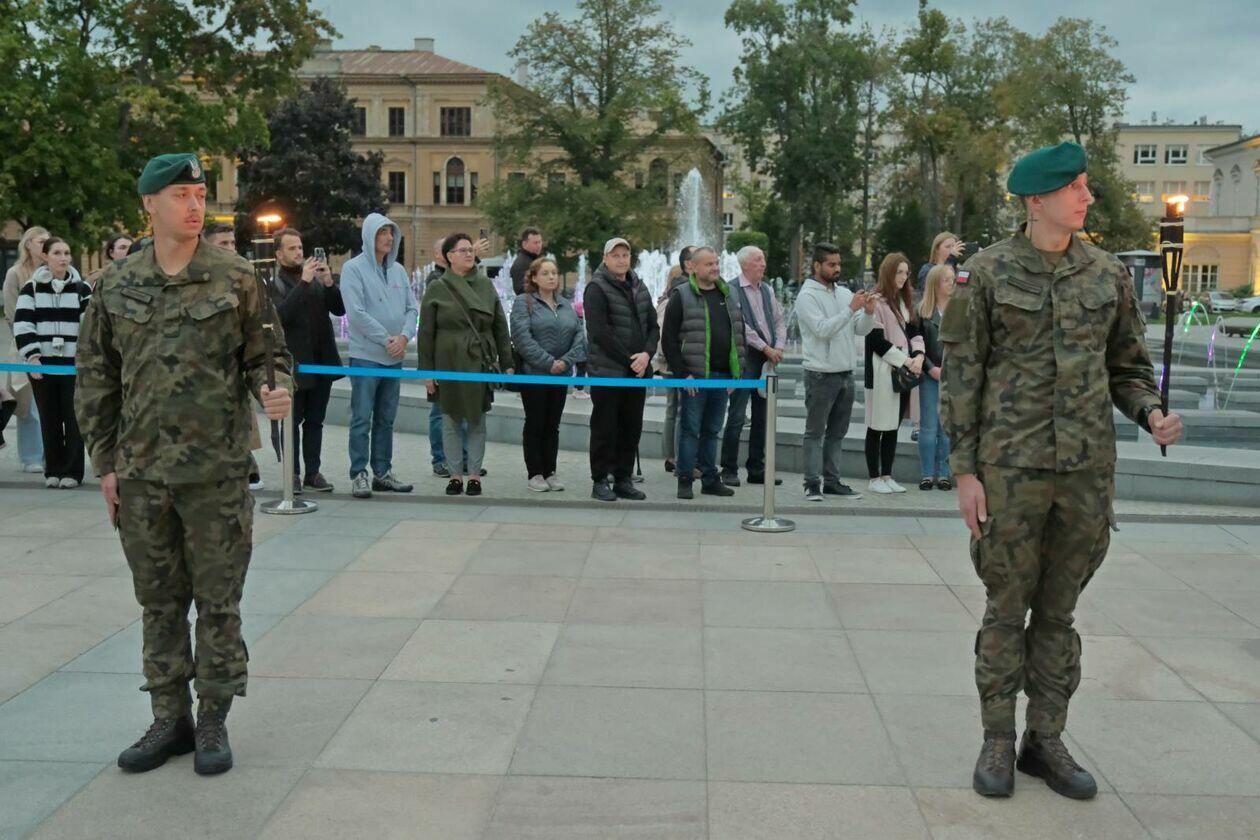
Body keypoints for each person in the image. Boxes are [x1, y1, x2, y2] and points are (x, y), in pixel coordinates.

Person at [940, 141, 1184, 800]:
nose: (1087, 197)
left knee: (1059, 614)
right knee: (1004, 609)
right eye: (1075, 187)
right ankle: (997, 737)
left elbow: (1127, 367)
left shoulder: (1107, 274)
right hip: (1010, 471)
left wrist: (1151, 411)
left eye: (1085, 186)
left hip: (1084, 472)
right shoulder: (985, 274)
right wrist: (965, 472)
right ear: (1037, 199)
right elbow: (961, 377)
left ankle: (1044, 739)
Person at [75, 153, 292, 776]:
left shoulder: (235, 277)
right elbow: (96, 377)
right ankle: (168, 718)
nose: (195, 206)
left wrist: (275, 388)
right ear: (149, 205)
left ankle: (213, 718)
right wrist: (106, 464)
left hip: (216, 471)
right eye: (180, 196)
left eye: (199, 194)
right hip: (141, 473)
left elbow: (268, 354)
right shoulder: (115, 283)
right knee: (159, 602)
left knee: (219, 601)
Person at [419, 233, 513, 496]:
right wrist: (427, 372)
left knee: (476, 419)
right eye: (463, 250)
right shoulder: (438, 287)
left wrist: (507, 361)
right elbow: (426, 332)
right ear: (449, 256)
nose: (469, 254)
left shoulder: (485, 285)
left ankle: (474, 475)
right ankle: (454, 475)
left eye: (471, 250)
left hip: (478, 359)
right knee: (450, 419)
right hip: (447, 360)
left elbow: (499, 325)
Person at [340, 213, 417, 499]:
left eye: (391, 232)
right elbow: (356, 313)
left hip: (393, 358)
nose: (389, 237)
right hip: (366, 357)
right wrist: (386, 339)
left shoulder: (398, 271)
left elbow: (412, 308)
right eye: (383, 232)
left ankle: (382, 472)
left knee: (386, 419)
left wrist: (404, 337)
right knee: (362, 418)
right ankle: (359, 473)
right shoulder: (353, 269)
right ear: (369, 236)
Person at [794, 242, 877, 502]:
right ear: (817, 266)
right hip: (820, 373)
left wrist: (869, 313)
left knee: (837, 433)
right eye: (831, 264)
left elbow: (860, 329)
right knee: (815, 432)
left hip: (845, 372)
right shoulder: (807, 296)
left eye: (839, 264)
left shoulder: (843, 293)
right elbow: (822, 330)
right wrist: (851, 309)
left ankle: (832, 481)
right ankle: (811, 483)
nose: (837, 269)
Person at [661, 246, 743, 499]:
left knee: (712, 430)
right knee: (690, 430)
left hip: (722, 377)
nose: (715, 268)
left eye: (716, 263)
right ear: (693, 267)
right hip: (694, 378)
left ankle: (709, 479)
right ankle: (685, 479)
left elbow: (738, 335)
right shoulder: (681, 295)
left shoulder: (728, 294)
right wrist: (683, 374)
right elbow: (668, 339)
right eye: (708, 264)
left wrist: (736, 374)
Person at [269, 228, 345, 494]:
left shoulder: (315, 279)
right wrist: (303, 283)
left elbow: (339, 309)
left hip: (321, 361)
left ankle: (313, 472)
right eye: (292, 248)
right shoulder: (274, 284)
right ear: (278, 254)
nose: (299, 252)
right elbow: (281, 316)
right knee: (292, 422)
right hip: (295, 365)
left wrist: (329, 283)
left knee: (315, 420)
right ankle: (292, 474)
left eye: (300, 247)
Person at [584, 237, 658, 502]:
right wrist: (630, 360)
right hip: (608, 371)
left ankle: (623, 478)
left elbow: (653, 326)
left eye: (625, 255)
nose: (621, 260)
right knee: (605, 428)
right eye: (615, 255)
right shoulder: (596, 288)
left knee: (631, 427)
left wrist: (647, 355)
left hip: (637, 372)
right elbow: (599, 332)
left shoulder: (639, 286)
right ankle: (600, 480)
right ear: (605, 258)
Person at [13, 236, 91, 488]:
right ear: (45, 256)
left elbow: (90, 326)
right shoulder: (31, 288)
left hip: (73, 364)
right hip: (43, 363)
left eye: (67, 253)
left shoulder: (82, 289)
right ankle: (53, 471)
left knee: (73, 419)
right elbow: (23, 323)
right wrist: (33, 357)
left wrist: (85, 359)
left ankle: (72, 473)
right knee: (49, 419)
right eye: (57, 253)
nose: (63, 258)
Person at [511, 257, 586, 491]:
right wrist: (548, 363)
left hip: (560, 375)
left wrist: (565, 362)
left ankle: (550, 471)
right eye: (545, 273)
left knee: (553, 424)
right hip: (535, 374)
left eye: (554, 272)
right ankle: (535, 472)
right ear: (534, 277)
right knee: (536, 422)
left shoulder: (565, 304)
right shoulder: (524, 302)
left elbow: (579, 335)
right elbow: (522, 337)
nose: (551, 277)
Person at [204, 224, 264, 491]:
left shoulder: (244, 280)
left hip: (233, 382)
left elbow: (260, 339)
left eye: (232, 243)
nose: (231, 249)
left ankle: (247, 464)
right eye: (223, 244)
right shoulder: (198, 281)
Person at [720, 245, 786, 487]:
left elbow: (779, 320)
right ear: (745, 264)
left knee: (762, 416)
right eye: (758, 259)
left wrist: (778, 346)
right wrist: (766, 348)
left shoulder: (767, 290)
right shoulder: (731, 289)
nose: (763, 264)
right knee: (737, 415)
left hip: (767, 360)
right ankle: (728, 469)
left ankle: (756, 468)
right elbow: (739, 326)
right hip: (744, 358)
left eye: (763, 259)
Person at [864, 253, 925, 495]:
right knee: (876, 425)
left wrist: (919, 355)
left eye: (906, 273)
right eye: (899, 272)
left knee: (892, 426)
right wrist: (907, 360)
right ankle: (874, 477)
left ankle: (887, 475)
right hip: (882, 372)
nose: (903, 277)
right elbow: (876, 341)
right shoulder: (875, 302)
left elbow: (915, 332)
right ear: (888, 272)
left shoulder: (904, 302)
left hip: (901, 372)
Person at [2, 226, 48, 473]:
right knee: (28, 404)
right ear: (28, 244)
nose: (45, 245)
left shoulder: (53, 271)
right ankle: (31, 456)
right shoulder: (15, 273)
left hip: (53, 347)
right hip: (23, 347)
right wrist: (28, 341)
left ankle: (51, 453)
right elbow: (11, 313)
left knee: (50, 404)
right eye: (41, 241)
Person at [917, 264, 955, 490]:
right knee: (929, 426)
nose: (951, 283)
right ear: (935, 284)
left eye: (952, 279)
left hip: (953, 375)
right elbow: (917, 344)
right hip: (929, 375)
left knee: (946, 427)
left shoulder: (959, 310)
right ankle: (927, 474)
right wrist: (930, 368)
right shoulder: (922, 312)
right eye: (946, 280)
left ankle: (943, 473)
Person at [658, 248, 695, 475]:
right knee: (679, 411)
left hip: (669, 363)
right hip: (675, 363)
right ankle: (677, 458)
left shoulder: (665, 298)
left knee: (673, 410)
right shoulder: (678, 296)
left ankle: (671, 456)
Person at [916, 231, 964, 295]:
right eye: (948, 247)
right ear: (937, 249)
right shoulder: (927, 269)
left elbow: (963, 291)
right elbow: (928, 293)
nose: (953, 250)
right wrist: (951, 258)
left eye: (954, 247)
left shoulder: (959, 270)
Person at [509, 227, 544, 295]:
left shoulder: (532, 260)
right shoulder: (522, 264)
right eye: (535, 243)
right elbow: (520, 290)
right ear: (524, 244)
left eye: (540, 242)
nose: (539, 246)